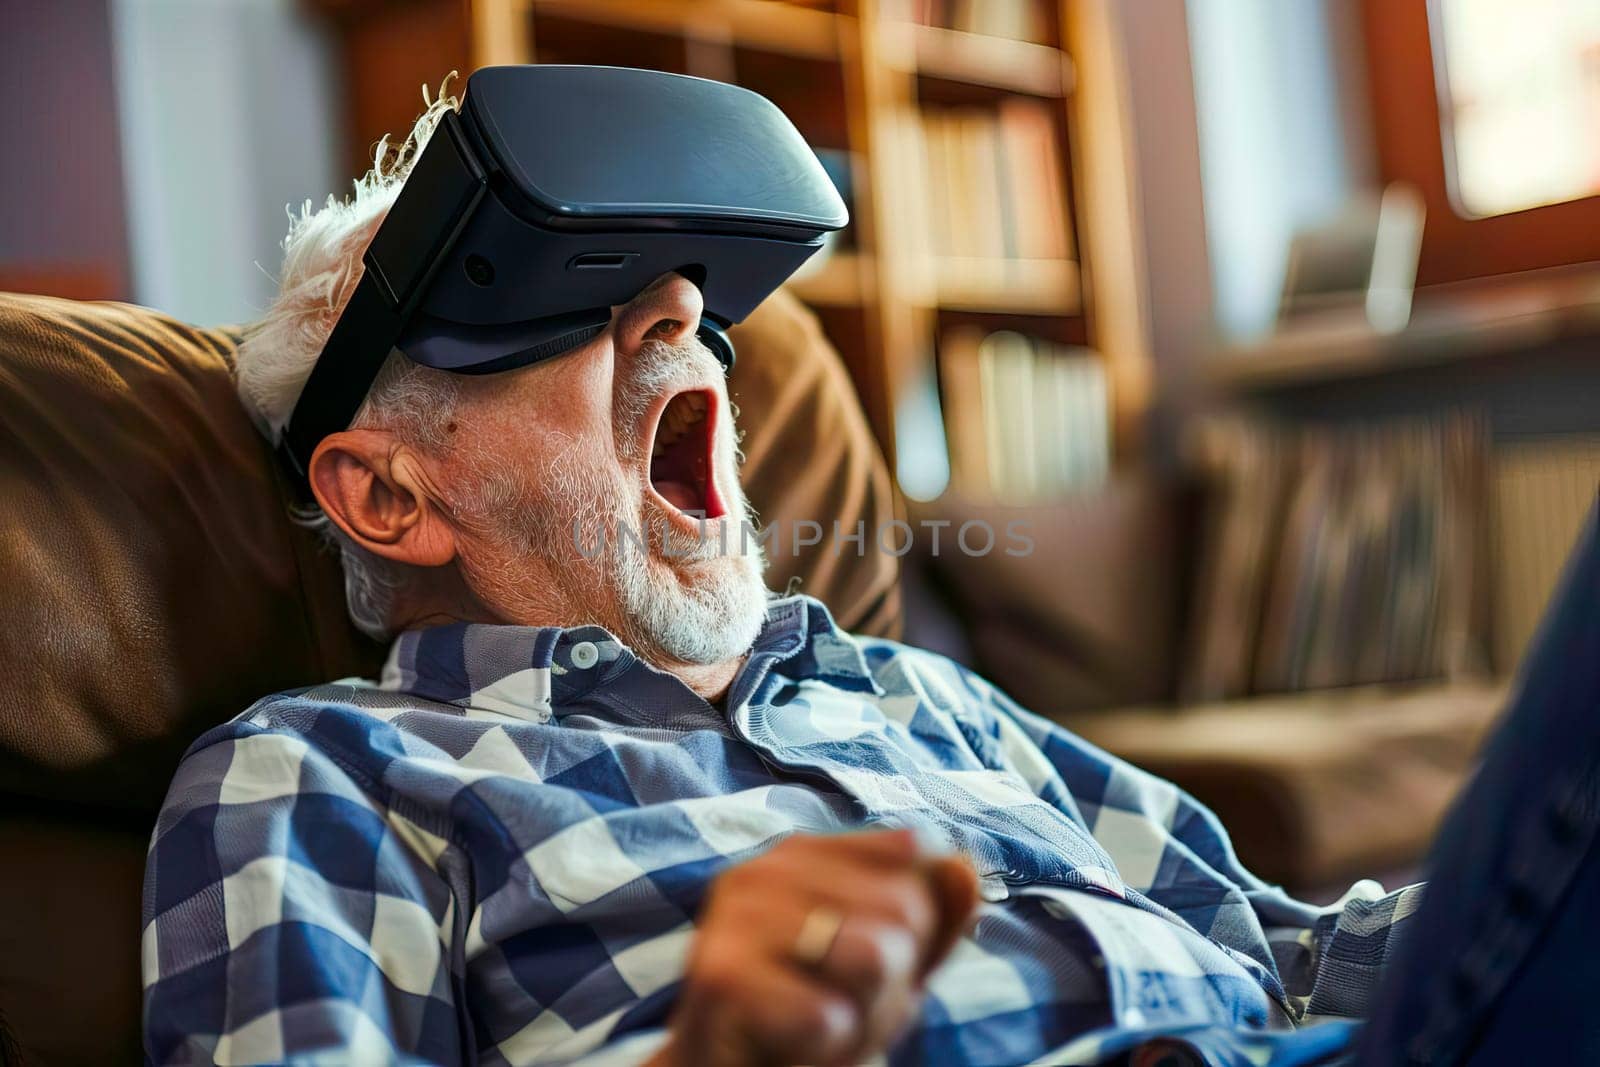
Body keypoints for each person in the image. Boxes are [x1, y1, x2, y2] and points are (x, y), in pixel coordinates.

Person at [141, 85, 1584, 1067]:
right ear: (389, 493)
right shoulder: (321, 773)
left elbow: (1303, 952)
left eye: (688, 291)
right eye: (554, 302)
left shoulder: (913, 695)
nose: (690, 316)